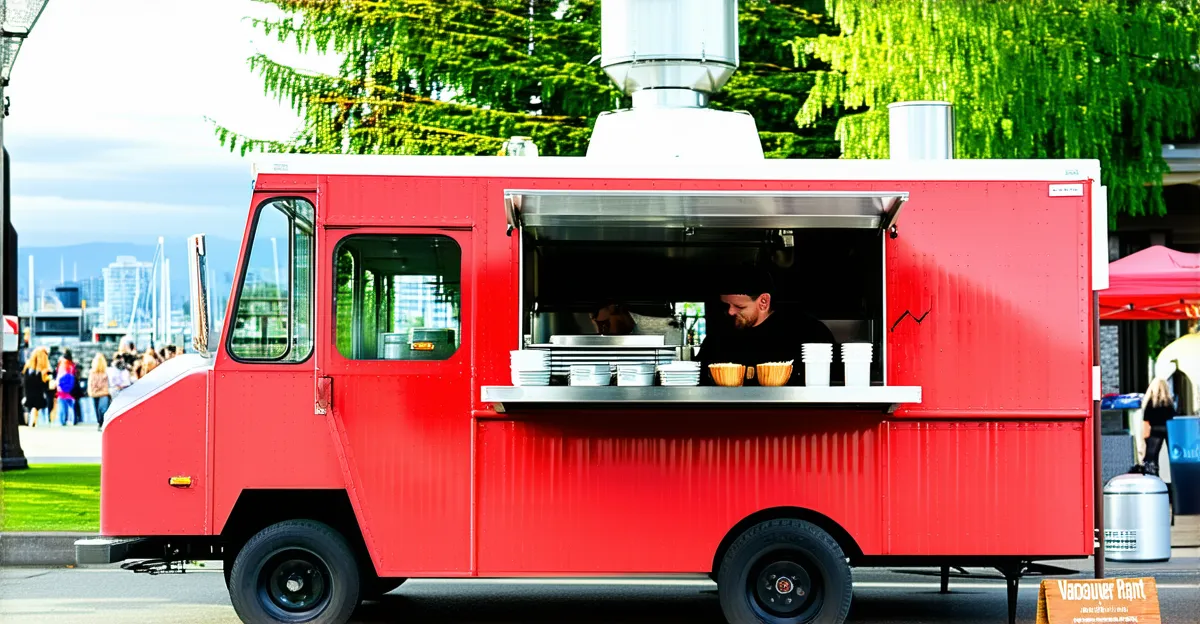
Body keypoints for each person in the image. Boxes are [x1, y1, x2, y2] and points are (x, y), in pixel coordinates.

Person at [698, 267, 835, 386]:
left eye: (739, 307)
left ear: (763, 302)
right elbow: (699, 379)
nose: (730, 312)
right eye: (726, 305)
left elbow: (832, 381)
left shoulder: (807, 331)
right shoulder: (718, 336)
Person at [1136, 378, 1177, 477]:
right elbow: (1173, 418)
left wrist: (1143, 440)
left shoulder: (1150, 403)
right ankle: (1175, 477)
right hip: (1168, 429)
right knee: (1173, 456)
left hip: (1154, 430)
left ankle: (1153, 477)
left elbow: (1146, 421)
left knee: (1151, 457)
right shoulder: (1169, 403)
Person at [21, 347, 52, 427]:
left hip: (28, 391)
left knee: (30, 406)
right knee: (37, 407)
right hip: (39, 392)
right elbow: (45, 382)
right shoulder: (44, 368)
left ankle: (29, 420)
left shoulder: (28, 366)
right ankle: (35, 419)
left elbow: (24, 378)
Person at [88, 354, 112, 431]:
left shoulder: (107, 372)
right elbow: (90, 383)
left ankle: (102, 423)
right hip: (96, 393)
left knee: (102, 408)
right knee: (97, 408)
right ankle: (100, 423)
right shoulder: (92, 372)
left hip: (103, 393)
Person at [55, 350, 77, 426]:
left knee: (61, 404)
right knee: (71, 404)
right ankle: (72, 420)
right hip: (70, 386)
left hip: (62, 387)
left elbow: (59, 376)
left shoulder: (62, 364)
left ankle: (62, 421)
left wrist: (58, 386)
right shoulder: (72, 364)